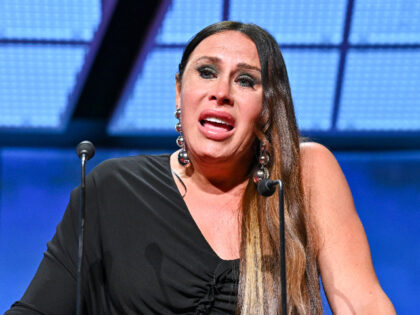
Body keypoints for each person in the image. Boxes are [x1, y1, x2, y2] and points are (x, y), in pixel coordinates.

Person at [6, 21, 395, 314]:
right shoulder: (113, 188)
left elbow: (362, 301)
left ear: (269, 107)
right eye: (206, 72)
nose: (221, 92)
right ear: (179, 91)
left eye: (245, 81)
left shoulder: (301, 174)